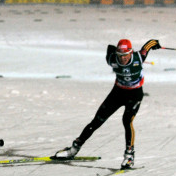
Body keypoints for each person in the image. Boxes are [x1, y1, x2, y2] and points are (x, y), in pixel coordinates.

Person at [56, 38, 161, 168]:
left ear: (131, 52)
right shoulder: (112, 59)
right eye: (120, 55)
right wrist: (114, 50)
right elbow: (110, 48)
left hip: (134, 95)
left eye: (125, 55)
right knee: (96, 121)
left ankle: (129, 156)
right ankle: (73, 150)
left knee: (127, 121)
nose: (123, 58)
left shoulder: (138, 57)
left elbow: (148, 45)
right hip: (117, 93)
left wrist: (155, 43)